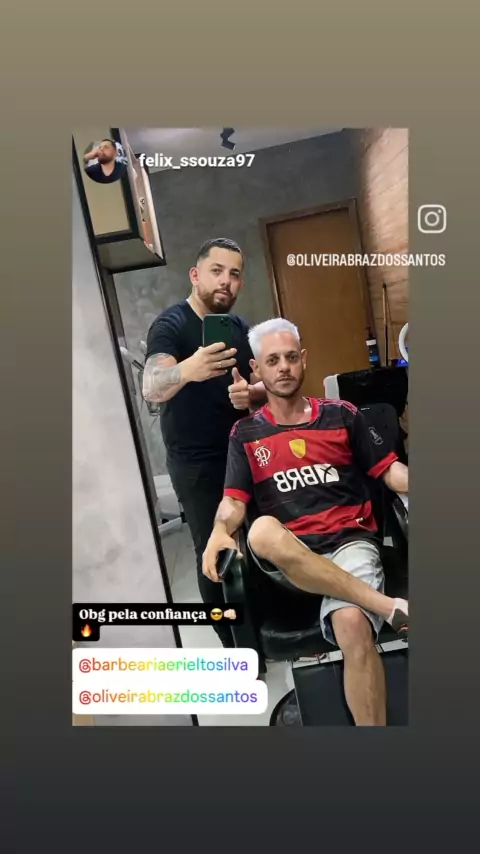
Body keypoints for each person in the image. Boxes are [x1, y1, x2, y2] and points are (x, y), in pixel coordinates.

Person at [202, 317, 409, 726]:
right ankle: (388, 607)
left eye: (291, 358)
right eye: (272, 360)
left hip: (349, 542)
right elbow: (233, 502)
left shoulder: (341, 415)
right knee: (261, 530)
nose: (284, 367)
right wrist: (219, 531)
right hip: (290, 559)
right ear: (256, 369)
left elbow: (389, 471)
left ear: (304, 360)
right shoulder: (246, 434)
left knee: (352, 623)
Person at [142, 238, 266, 646]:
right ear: (195, 276)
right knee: (212, 549)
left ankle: (261, 629)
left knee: (256, 538)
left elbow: (260, 386)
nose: (226, 281)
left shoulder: (238, 328)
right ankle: (232, 643)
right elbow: (151, 387)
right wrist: (189, 369)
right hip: (195, 462)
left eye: (234, 274)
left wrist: (250, 394)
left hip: (242, 452)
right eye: (216, 271)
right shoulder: (171, 325)